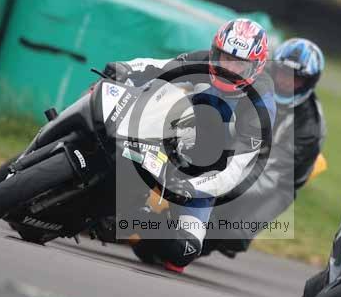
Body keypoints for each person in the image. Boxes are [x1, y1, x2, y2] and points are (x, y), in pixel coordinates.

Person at [103, 18, 276, 272]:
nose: (228, 68)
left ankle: (141, 223)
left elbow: (235, 170)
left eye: (239, 63)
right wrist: (126, 68)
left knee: (185, 251)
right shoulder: (204, 60)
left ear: (256, 67)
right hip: (171, 141)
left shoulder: (260, 105)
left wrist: (192, 187)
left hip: (205, 175)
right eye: (225, 58)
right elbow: (159, 67)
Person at [200, 38, 327, 257]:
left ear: (308, 83)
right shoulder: (254, 79)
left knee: (232, 234)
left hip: (277, 180)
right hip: (239, 148)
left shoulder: (309, 127)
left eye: (296, 78)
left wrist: (222, 185)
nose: (286, 81)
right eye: (284, 72)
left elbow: (272, 174)